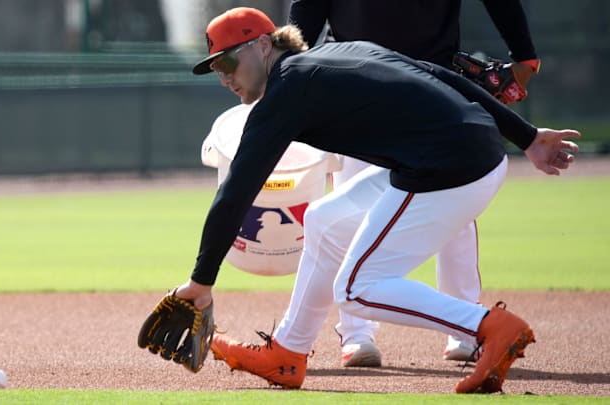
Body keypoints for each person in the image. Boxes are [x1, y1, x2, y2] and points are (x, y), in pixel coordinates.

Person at [180, 7, 579, 392]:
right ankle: (287, 353)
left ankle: (488, 326)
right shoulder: (337, 51)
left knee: (357, 289)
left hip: (451, 169)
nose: (222, 78)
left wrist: (201, 282)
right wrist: (525, 137)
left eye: (225, 64)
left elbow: (235, 193)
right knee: (326, 220)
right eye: (215, 69)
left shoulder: (287, 92)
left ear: (263, 46)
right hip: (462, 153)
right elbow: (438, 74)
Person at [288, 0, 543, 368]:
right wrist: (294, 67)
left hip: (435, 82)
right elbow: (309, 7)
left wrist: (525, 54)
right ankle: (357, 334)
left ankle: (466, 331)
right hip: (353, 80)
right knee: (348, 210)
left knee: (451, 211)